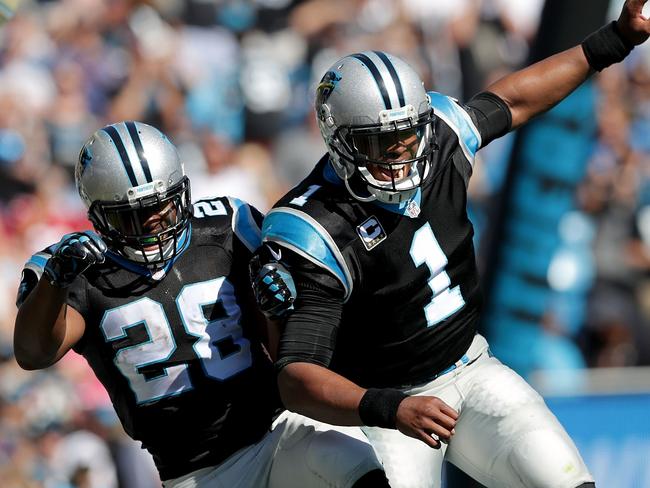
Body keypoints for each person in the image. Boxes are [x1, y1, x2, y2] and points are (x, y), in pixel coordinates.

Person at [252, 2, 650, 487]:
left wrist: (616, 40)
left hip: (473, 367)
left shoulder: (439, 135)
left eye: (407, 136)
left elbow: (516, 100)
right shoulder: (316, 225)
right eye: (381, 144)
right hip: (383, 406)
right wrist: (388, 406)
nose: (401, 155)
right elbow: (297, 377)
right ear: (340, 142)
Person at [13, 121, 389, 488]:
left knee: (356, 464)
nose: (156, 221)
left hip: (277, 430)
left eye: (162, 204)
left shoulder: (227, 226)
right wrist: (55, 282)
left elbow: (285, 352)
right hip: (195, 472)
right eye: (135, 215)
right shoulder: (77, 267)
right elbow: (32, 353)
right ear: (98, 216)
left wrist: (276, 309)